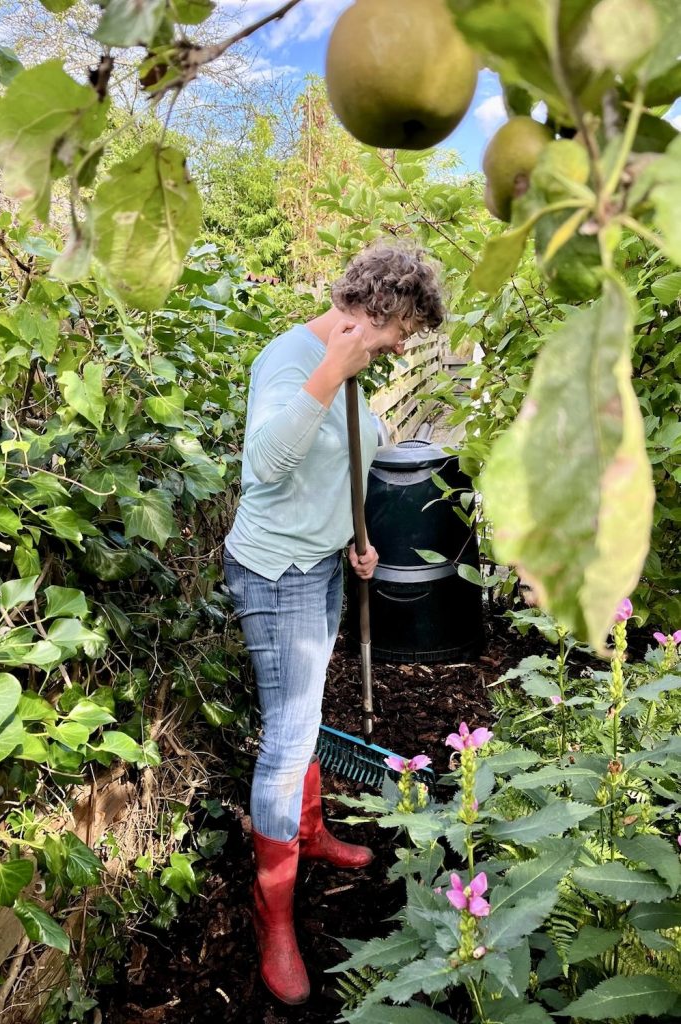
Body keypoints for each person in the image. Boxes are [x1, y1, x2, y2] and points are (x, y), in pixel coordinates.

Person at [223, 242, 445, 1005]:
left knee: (307, 716)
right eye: (403, 329)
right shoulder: (292, 360)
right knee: (287, 738)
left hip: (319, 561)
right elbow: (264, 465)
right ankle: (272, 918)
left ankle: (309, 833)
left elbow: (341, 462)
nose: (402, 345)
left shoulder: (352, 370)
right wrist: (329, 375)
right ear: (375, 312)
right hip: (274, 571)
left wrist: (353, 537)